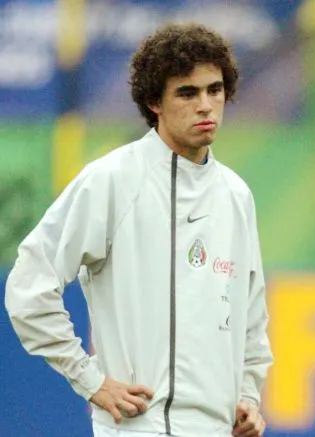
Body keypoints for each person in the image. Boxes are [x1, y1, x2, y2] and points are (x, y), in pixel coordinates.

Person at [5, 23, 272, 437]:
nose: (206, 105)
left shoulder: (236, 195)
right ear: (154, 102)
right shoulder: (112, 180)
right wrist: (89, 380)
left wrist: (248, 399)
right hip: (137, 428)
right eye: (187, 92)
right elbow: (28, 285)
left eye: (214, 90)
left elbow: (251, 319)